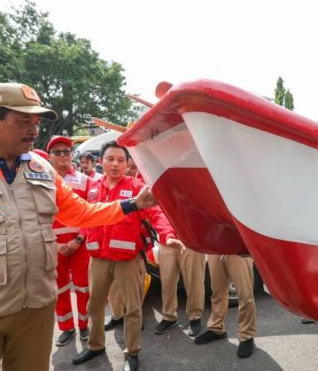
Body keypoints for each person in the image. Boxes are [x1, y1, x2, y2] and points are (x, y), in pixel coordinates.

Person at [0, 83, 157, 371]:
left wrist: (133, 203)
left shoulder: (42, 168)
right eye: (23, 121)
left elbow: (81, 213)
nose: (34, 130)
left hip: (35, 313)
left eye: (36, 122)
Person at [72, 141, 183, 371]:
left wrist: (168, 234)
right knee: (94, 306)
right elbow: (85, 216)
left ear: (127, 163)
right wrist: (80, 237)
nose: (115, 164)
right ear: (100, 162)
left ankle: (132, 353)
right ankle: (95, 346)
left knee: (133, 308)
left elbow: (156, 213)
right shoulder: (92, 187)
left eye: (121, 160)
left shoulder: (137, 187)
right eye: (110, 159)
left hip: (128, 260)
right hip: (99, 259)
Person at [46, 135, 92, 346]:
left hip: (80, 244)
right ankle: (66, 328)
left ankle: (84, 325)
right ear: (50, 156)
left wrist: (79, 238)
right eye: (58, 152)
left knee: (83, 287)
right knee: (60, 288)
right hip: (54, 246)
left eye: (67, 152)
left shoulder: (85, 180)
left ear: (72, 155)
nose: (63, 155)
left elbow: (91, 213)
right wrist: (55, 244)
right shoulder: (42, 181)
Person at [194, 255, 257, 359]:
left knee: (245, 295)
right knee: (217, 292)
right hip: (214, 248)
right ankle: (216, 328)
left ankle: (247, 336)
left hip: (237, 250)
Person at [155, 236, 205, 336]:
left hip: (191, 241)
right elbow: (159, 219)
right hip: (166, 242)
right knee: (167, 283)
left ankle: (195, 316)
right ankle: (169, 317)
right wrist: (167, 234)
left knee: (194, 283)